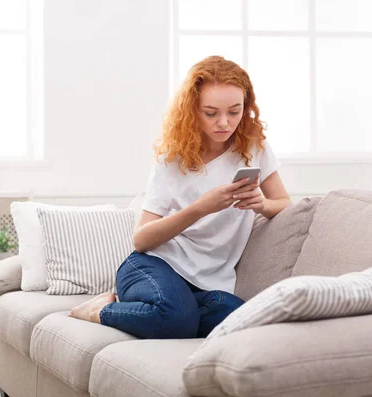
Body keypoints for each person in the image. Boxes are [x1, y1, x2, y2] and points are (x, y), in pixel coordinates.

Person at [68, 55, 292, 339]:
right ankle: (99, 310)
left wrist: (262, 205)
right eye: (211, 113)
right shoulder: (173, 159)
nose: (224, 122)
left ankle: (167, 313)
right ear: (193, 110)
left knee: (247, 320)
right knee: (176, 319)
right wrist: (201, 208)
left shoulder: (253, 144)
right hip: (154, 266)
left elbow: (284, 204)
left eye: (234, 111)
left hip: (209, 286)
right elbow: (142, 239)